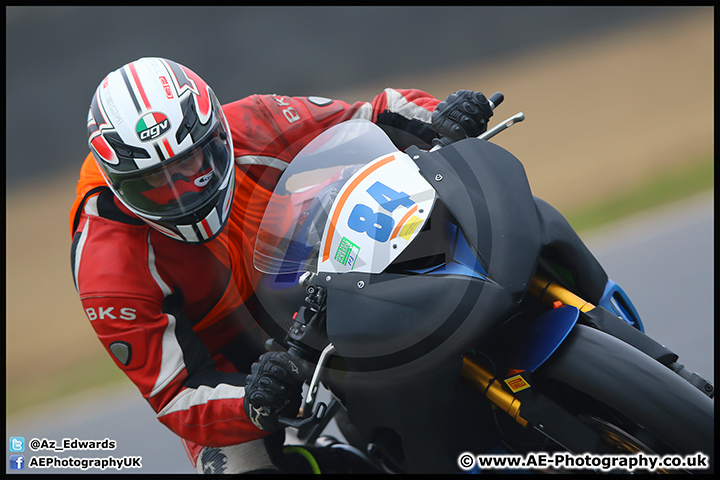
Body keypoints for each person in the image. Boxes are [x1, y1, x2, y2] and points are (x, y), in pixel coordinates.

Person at [69, 57, 493, 474]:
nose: (180, 191)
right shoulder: (106, 269)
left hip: (309, 274)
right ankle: (333, 463)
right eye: (153, 182)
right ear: (117, 181)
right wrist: (250, 399)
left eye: (187, 163)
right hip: (229, 359)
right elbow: (174, 395)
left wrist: (443, 115)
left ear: (216, 135)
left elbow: (372, 115)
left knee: (444, 235)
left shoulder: (254, 121)